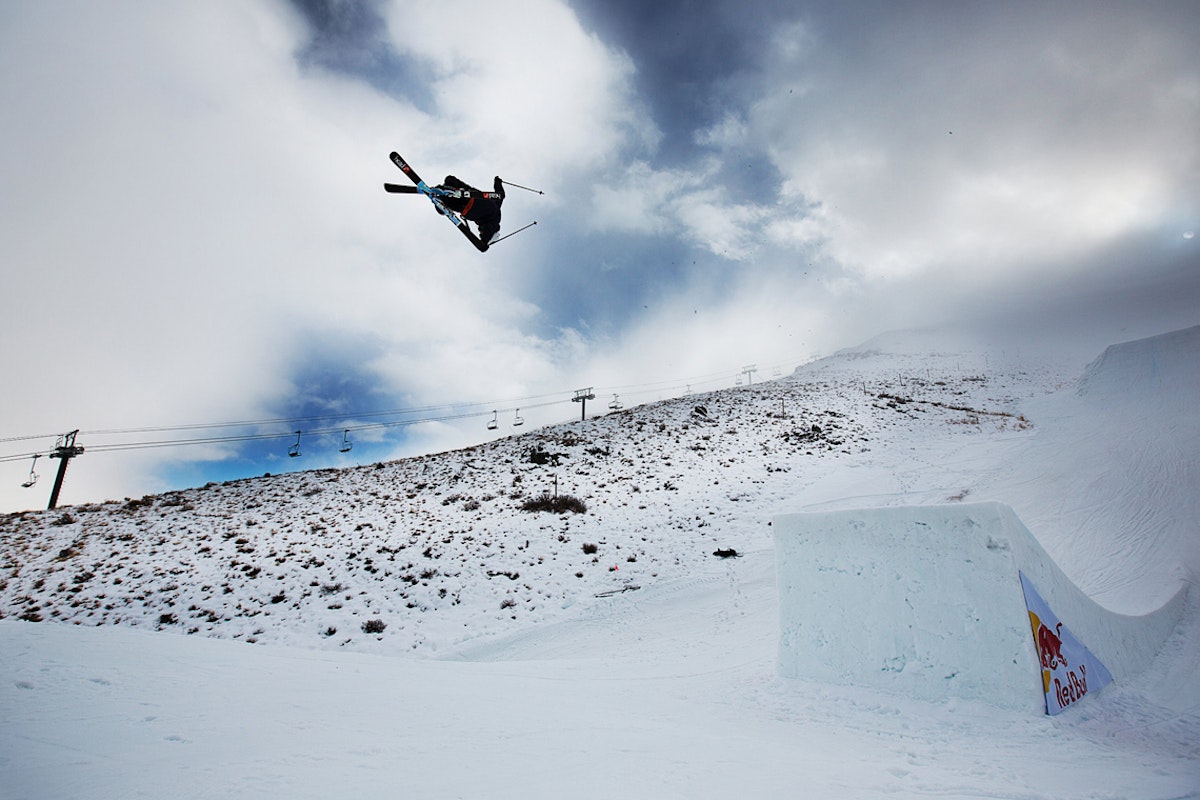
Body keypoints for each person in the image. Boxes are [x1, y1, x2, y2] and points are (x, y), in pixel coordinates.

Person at [434, 175, 505, 246]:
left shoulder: (496, 212)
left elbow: (501, 196)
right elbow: (487, 235)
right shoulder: (492, 227)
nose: (480, 233)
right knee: (457, 204)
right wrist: (484, 242)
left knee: (451, 180)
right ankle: (444, 198)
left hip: (474, 195)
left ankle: (447, 187)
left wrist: (497, 183)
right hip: (472, 207)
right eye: (481, 234)